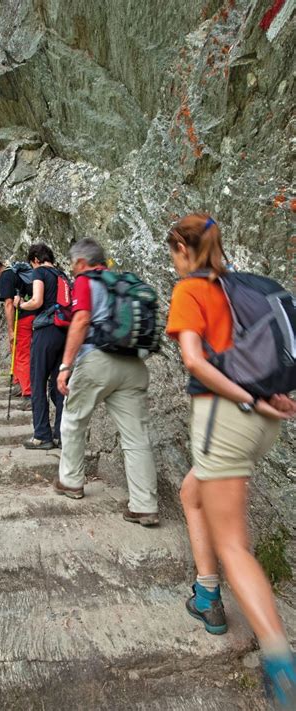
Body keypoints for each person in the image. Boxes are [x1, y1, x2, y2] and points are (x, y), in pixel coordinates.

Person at [166, 213, 295, 707]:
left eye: (173, 253)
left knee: (235, 546)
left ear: (182, 249)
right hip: (264, 423)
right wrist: (266, 399)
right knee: (190, 491)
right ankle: (206, 595)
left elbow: (195, 361)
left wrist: (247, 399)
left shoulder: (191, 290)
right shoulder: (252, 287)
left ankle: (280, 661)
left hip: (228, 417)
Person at [55, 238, 159, 525]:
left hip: (97, 361)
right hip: (134, 365)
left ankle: (71, 481)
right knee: (136, 436)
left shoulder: (86, 281)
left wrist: (65, 366)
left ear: (80, 262)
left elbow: (80, 321)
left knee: (73, 420)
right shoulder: (124, 283)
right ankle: (144, 505)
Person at [13, 243, 67, 450]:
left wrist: (20, 304)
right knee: (59, 384)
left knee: (38, 382)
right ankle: (61, 434)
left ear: (35, 259)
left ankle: (42, 435)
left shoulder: (40, 272)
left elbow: (36, 301)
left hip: (46, 330)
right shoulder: (62, 275)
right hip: (64, 331)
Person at [0, 258, 33, 410]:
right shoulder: (15, 274)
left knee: (21, 353)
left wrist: (11, 330)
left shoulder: (5, 276)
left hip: (23, 318)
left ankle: (29, 394)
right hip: (34, 314)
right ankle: (19, 383)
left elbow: (9, 305)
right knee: (19, 351)